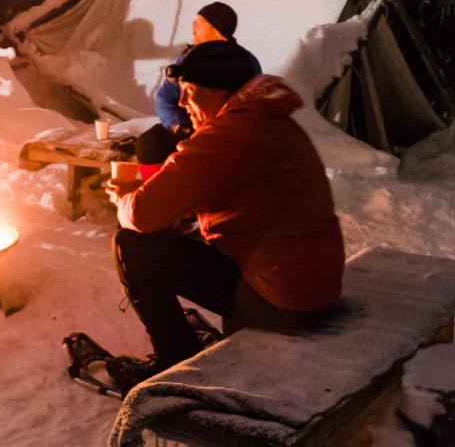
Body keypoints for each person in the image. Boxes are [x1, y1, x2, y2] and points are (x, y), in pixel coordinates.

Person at [102, 40, 345, 391]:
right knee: (183, 238)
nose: (183, 103)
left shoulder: (231, 132)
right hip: (312, 284)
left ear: (220, 91)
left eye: (190, 91)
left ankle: (173, 361)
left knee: (134, 244)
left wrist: (125, 197)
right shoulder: (268, 119)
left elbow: (141, 215)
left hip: (282, 300)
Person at [139, 2, 262, 174]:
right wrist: (178, 125)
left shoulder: (242, 62)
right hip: (189, 128)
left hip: (226, 134)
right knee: (152, 141)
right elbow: (165, 96)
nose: (193, 26)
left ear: (216, 25)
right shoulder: (188, 58)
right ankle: (152, 188)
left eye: (198, 21)